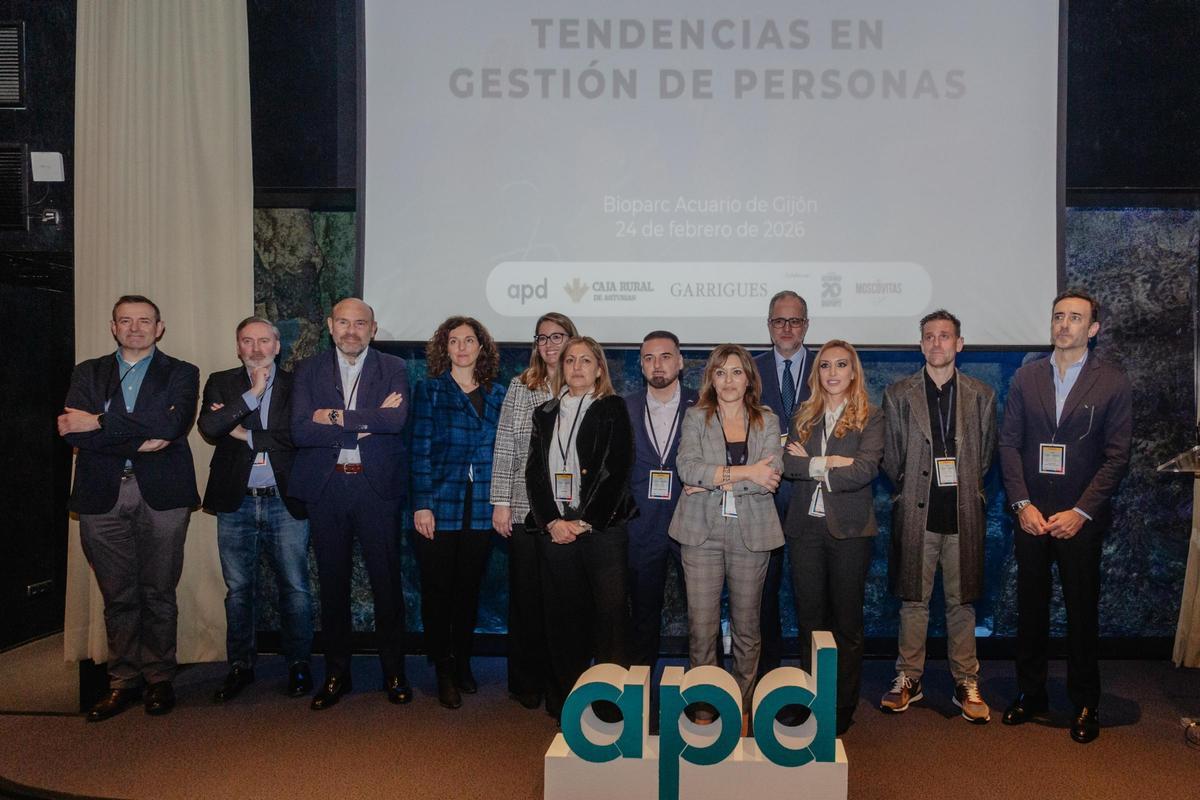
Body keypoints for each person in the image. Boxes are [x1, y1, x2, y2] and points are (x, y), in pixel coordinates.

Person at [57, 295, 199, 721]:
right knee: (118, 596)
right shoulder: (89, 372)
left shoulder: (182, 372)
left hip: (164, 495)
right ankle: (123, 682)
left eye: (144, 321)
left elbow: (173, 425)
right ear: (113, 327)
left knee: (159, 592)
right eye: (126, 321)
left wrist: (100, 421)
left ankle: (158, 679)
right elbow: (70, 432)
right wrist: (139, 434)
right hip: (102, 495)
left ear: (159, 327)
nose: (135, 327)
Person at [998, 290, 1132, 744]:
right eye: (1058, 316)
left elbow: (1117, 457)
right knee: (1030, 610)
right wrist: (1022, 505)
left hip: (1079, 519)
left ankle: (1085, 702)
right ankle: (1031, 693)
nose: (1064, 324)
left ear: (1092, 329)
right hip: (1032, 516)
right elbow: (1009, 444)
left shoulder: (1112, 381)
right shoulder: (1027, 377)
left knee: (1081, 613)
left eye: (1075, 318)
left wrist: (1080, 512)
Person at [289, 298, 411, 709]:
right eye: (343, 322)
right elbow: (299, 430)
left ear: (373, 329)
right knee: (333, 585)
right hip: (328, 490)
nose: (351, 330)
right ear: (330, 325)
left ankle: (394, 672)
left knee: (387, 586)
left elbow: (394, 423)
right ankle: (336, 673)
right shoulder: (307, 370)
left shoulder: (392, 368)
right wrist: (364, 421)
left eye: (360, 323)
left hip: (376, 490)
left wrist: (334, 417)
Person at [880, 310, 996, 723]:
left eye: (944, 336)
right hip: (916, 512)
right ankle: (909, 678)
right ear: (921, 343)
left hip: (963, 512)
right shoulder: (898, 393)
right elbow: (891, 458)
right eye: (929, 336)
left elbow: (983, 459)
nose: (936, 343)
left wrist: (962, 486)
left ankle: (967, 680)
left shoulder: (982, 394)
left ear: (959, 344)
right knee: (914, 600)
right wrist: (909, 488)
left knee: (961, 604)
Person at [198, 316, 313, 703]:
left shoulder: (299, 384)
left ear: (277, 346)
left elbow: (299, 436)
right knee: (238, 590)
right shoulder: (221, 381)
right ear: (238, 346)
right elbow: (211, 427)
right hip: (236, 501)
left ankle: (299, 664)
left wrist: (244, 432)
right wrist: (251, 396)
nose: (257, 348)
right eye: (248, 341)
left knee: (295, 589)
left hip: (285, 501)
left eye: (265, 341)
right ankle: (239, 667)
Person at [670, 344, 783, 731]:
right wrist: (747, 473)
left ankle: (743, 707)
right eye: (721, 372)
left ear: (749, 377)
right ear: (711, 379)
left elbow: (771, 478)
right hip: (700, 534)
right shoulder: (696, 417)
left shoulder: (767, 420)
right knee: (702, 628)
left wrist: (715, 479)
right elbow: (687, 468)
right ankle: (704, 706)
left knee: (747, 629)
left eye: (737, 372)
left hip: (752, 534)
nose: (729, 380)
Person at [525, 336, 636, 720]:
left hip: (602, 529)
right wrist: (554, 522)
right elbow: (535, 474)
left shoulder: (612, 409)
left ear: (599, 369)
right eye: (570, 360)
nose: (576, 367)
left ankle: (612, 707)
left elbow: (614, 471)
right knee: (562, 621)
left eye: (585, 360)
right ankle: (566, 703)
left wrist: (583, 521)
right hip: (556, 530)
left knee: (610, 621)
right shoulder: (544, 412)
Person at [783, 339, 883, 735]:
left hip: (851, 532)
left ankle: (842, 705)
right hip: (805, 531)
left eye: (842, 365)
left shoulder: (871, 417)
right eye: (826, 366)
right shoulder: (802, 414)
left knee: (846, 625)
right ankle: (811, 701)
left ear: (853, 371)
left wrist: (812, 463)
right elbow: (789, 465)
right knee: (810, 622)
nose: (834, 373)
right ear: (817, 372)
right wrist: (830, 462)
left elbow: (865, 470)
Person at [410, 316, 506, 709]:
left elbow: (506, 451)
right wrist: (422, 504)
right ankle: (444, 668)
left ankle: (464, 660)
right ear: (444, 348)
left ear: (482, 348)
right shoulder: (430, 391)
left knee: (468, 590)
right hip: (440, 504)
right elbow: (419, 450)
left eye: (470, 340)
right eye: (454, 341)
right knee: (438, 592)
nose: (462, 347)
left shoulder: (498, 394)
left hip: (483, 506)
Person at [490, 311, 578, 714]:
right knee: (526, 599)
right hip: (525, 509)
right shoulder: (521, 385)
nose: (549, 344)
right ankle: (527, 682)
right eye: (542, 337)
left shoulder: (586, 385)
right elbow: (506, 444)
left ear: (572, 339)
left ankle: (564, 688)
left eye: (557, 336)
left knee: (562, 603)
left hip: (569, 512)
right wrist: (501, 502)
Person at [623, 330, 697, 729]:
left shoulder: (704, 405)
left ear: (680, 362)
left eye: (665, 356)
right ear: (641, 364)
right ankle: (643, 706)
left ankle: (703, 699)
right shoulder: (625, 406)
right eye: (649, 358)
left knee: (702, 620)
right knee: (643, 620)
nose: (657, 365)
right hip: (642, 527)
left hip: (694, 525)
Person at [753, 290, 812, 678]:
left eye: (794, 321)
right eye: (779, 321)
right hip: (763, 496)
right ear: (769, 325)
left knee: (811, 597)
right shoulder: (750, 370)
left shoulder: (829, 367)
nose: (786, 328)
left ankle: (813, 682)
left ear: (806, 325)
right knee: (762, 594)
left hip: (812, 496)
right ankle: (765, 681)